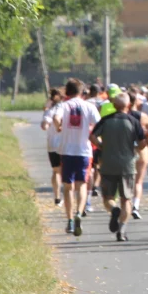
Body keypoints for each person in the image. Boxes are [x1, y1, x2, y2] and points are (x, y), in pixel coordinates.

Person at [89, 93, 145, 241]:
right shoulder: (133, 121)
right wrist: (135, 148)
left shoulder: (106, 120)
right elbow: (143, 142)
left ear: (114, 105)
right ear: (128, 105)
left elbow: (92, 136)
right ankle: (122, 230)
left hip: (108, 163)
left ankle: (114, 210)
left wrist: (101, 146)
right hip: (127, 165)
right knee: (126, 199)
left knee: (108, 197)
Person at [53, 79, 102, 236]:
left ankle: (70, 220)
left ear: (67, 91)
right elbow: (99, 125)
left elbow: (55, 118)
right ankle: (79, 213)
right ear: (82, 92)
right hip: (84, 151)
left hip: (67, 150)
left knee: (68, 187)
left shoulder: (64, 105)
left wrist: (59, 126)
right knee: (82, 185)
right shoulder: (89, 106)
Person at [127, 91, 148, 219]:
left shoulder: (121, 116)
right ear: (135, 101)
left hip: (125, 149)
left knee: (126, 180)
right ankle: (135, 205)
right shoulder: (143, 116)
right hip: (141, 149)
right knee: (139, 181)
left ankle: (125, 204)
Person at [41, 88, 64, 206]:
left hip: (52, 145)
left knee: (56, 171)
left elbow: (44, 126)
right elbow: (56, 119)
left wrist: (46, 110)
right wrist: (59, 127)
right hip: (65, 144)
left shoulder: (49, 110)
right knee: (67, 171)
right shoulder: (64, 107)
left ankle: (57, 197)